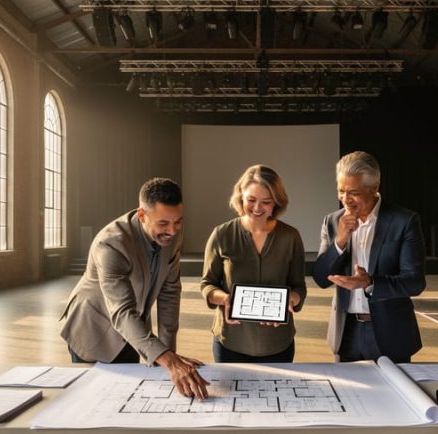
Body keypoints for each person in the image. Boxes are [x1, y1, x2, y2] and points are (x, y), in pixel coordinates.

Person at [59, 177, 209, 399]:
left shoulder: (173, 235)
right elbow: (121, 312)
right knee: (94, 400)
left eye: (178, 221)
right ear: (142, 215)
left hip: (133, 331)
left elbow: (169, 293)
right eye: (163, 224)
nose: (173, 230)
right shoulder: (111, 244)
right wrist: (169, 360)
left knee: (122, 398)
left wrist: (169, 356)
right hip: (94, 328)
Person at [312, 151, 426, 364]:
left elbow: (415, 282)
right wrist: (340, 241)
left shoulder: (404, 221)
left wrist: (371, 283)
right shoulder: (332, 222)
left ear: (374, 187)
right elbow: (320, 278)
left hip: (390, 333)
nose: (346, 200)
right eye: (341, 191)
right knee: (346, 396)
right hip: (346, 334)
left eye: (353, 192)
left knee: (394, 397)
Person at [200, 165, 307, 363]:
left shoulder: (291, 237)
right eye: (251, 200)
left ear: (276, 202)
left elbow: (299, 286)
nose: (257, 208)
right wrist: (225, 299)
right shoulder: (221, 234)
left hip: (278, 344)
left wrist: (290, 299)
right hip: (230, 342)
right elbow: (207, 284)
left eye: (266, 202)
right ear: (241, 197)